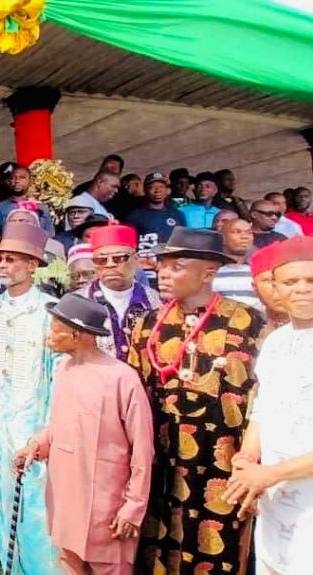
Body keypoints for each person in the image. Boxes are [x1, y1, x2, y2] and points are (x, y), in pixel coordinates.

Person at [127, 227, 263, 574]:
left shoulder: (246, 321)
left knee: (220, 550)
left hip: (221, 462)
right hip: (162, 461)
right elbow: (132, 395)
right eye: (162, 266)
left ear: (209, 272)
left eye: (177, 266)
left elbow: (264, 397)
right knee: (158, 545)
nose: (164, 274)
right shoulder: (148, 323)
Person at [14, 293, 153, 575]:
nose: (49, 335)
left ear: (76, 334)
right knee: (68, 563)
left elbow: (143, 449)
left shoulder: (121, 378)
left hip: (108, 507)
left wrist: (132, 507)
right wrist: (35, 446)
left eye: (55, 329)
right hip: (66, 498)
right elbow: (59, 425)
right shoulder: (63, 369)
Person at [0, 222, 61, 574]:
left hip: (34, 420)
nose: (4, 266)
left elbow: (57, 374)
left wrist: (51, 428)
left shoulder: (51, 311)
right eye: (1, 259)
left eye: (12, 259)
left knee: (37, 503)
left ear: (33, 264)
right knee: (2, 495)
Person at [223, 236, 313, 574]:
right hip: (275, 501)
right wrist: (246, 459)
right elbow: (263, 409)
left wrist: (268, 474)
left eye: (311, 280)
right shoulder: (275, 342)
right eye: (291, 281)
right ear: (275, 287)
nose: (302, 289)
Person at [75, 224, 161, 362]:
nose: (109, 264)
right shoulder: (77, 303)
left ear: (136, 259)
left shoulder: (156, 301)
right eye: (101, 260)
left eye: (119, 258)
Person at [124, 172, 186, 266]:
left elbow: (183, 243)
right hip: (146, 267)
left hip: (171, 265)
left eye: (161, 187)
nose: (157, 190)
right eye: (152, 187)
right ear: (145, 191)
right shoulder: (135, 216)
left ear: (167, 190)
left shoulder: (177, 215)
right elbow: (127, 245)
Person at [0, 164, 55, 238]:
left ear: (31, 181)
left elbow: (49, 238)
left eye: (22, 177)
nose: (17, 181)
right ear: (9, 182)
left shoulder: (42, 209)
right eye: (13, 178)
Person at [212, 218, 261, 309]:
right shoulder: (210, 271)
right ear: (223, 238)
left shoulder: (262, 271)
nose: (244, 236)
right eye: (237, 232)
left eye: (249, 233)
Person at [248, 243, 289, 329]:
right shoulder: (245, 321)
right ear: (255, 288)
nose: (278, 288)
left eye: (288, 281)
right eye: (270, 280)